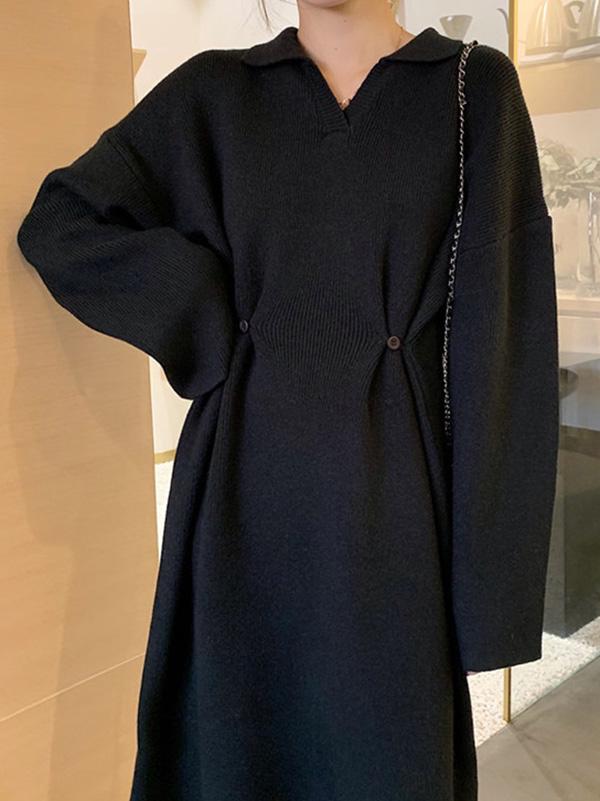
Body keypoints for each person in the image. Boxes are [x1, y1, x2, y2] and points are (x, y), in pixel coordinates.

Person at [16, 1, 559, 799]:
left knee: (385, 762)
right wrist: (208, 318)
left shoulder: (472, 90)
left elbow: (504, 348)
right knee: (240, 756)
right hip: (240, 507)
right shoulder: (216, 94)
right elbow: (63, 221)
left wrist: (492, 601)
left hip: (393, 520)